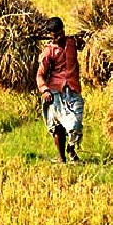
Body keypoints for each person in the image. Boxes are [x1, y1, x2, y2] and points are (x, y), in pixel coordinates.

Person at [36, 17, 85, 164]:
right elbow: (40, 74)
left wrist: (84, 38)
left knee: (76, 124)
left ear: (63, 30)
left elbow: (83, 44)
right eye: (53, 36)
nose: (56, 38)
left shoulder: (71, 42)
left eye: (58, 34)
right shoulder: (48, 52)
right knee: (58, 127)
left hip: (73, 89)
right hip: (55, 91)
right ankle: (61, 158)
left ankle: (71, 149)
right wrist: (44, 90)